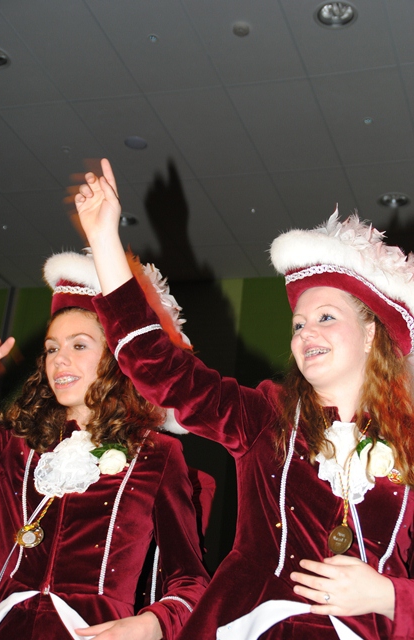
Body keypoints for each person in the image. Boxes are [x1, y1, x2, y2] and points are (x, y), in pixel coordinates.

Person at [74, 158, 414, 640]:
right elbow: (160, 368)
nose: (305, 332)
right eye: (298, 324)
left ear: (371, 333)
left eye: (326, 317)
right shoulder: (265, 416)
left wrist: (388, 595)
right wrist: (105, 239)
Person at [0, 248, 210, 640]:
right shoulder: (10, 444)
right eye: (52, 348)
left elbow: (190, 581)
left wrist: (152, 623)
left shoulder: (156, 455)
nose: (59, 360)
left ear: (115, 357)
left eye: (79, 345)